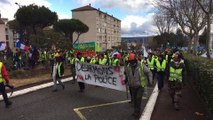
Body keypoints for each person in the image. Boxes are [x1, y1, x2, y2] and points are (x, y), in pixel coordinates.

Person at [125, 53, 153, 118]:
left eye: (132, 61)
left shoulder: (141, 65)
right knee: (134, 99)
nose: (131, 62)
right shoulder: (128, 66)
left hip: (140, 86)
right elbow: (127, 74)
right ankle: (136, 111)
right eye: (130, 61)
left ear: (135, 59)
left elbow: (149, 72)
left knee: (138, 98)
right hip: (132, 86)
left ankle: (137, 112)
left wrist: (150, 81)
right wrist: (126, 79)